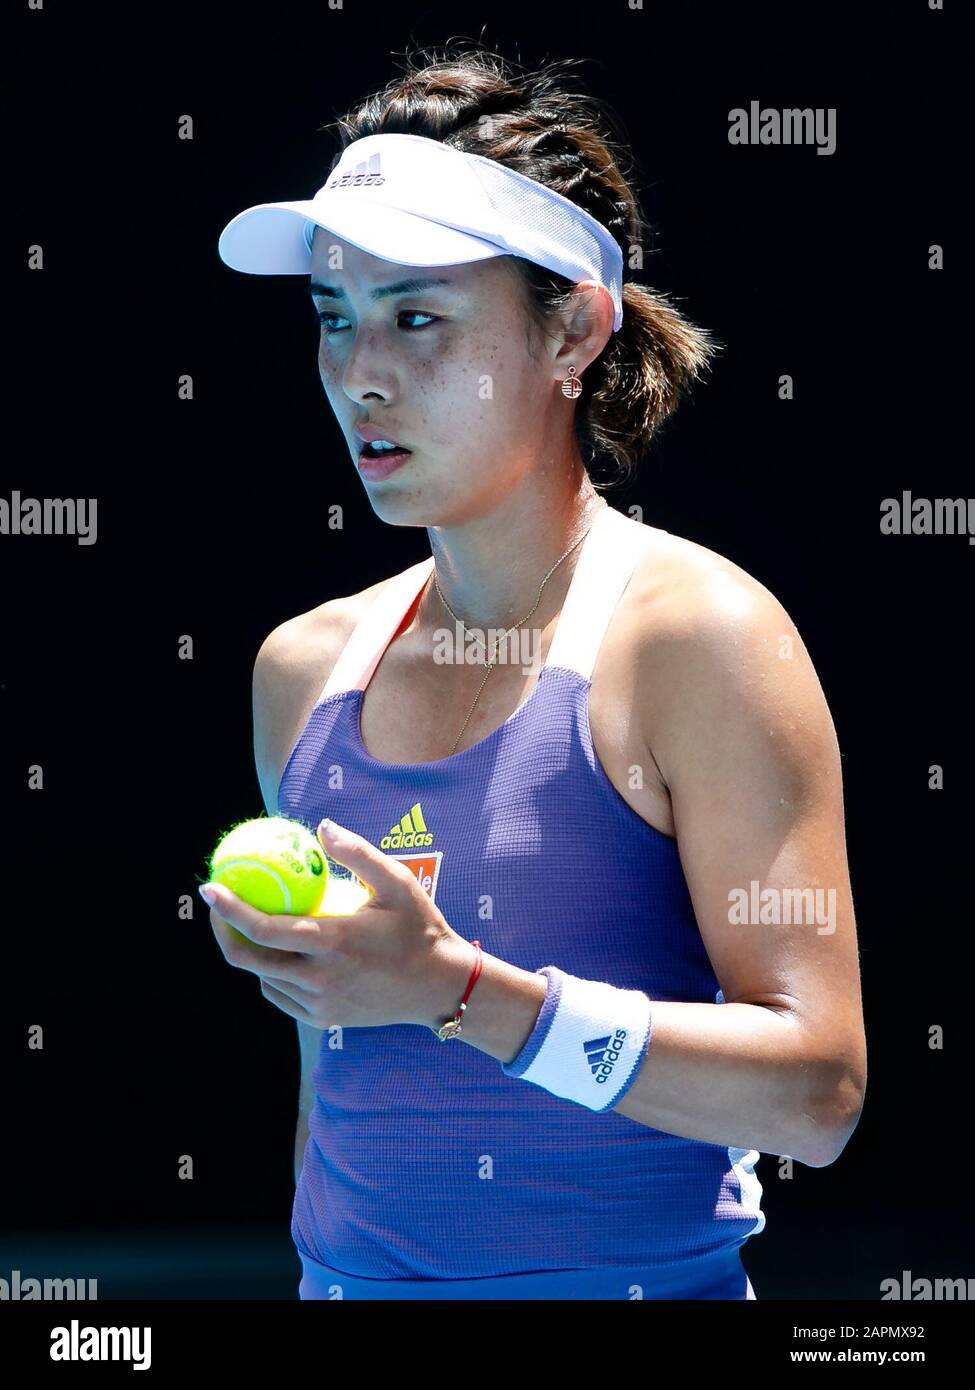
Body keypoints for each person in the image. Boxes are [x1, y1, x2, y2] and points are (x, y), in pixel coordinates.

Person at [209, 44, 866, 1300]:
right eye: (334, 317)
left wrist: (457, 988)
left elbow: (819, 1094)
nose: (361, 374)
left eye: (419, 316)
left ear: (572, 327)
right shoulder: (299, 669)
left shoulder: (703, 639)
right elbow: (336, 1103)